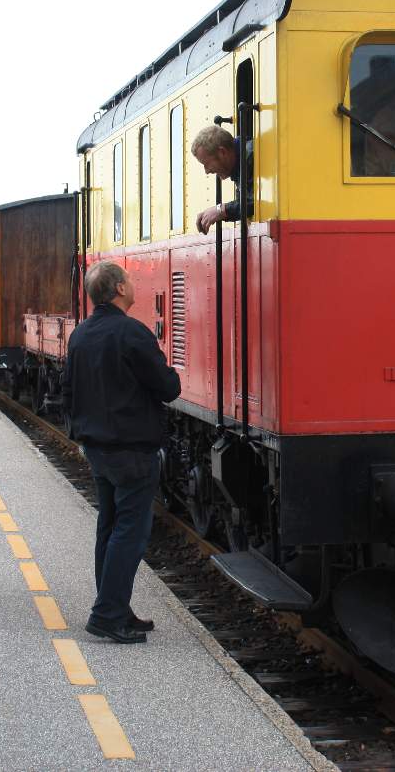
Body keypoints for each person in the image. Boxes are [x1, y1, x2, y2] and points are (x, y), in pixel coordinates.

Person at [63, 261, 181, 643]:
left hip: (98, 448)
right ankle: (108, 614)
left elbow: (69, 392)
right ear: (118, 288)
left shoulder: (80, 335)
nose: (133, 283)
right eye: (128, 279)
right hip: (131, 450)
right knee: (130, 532)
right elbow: (168, 388)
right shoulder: (132, 333)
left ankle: (115, 607)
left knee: (110, 527)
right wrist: (171, 372)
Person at [192, 125, 254, 233]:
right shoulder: (239, 164)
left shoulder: (249, 157)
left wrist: (220, 210)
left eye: (206, 164)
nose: (207, 171)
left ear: (222, 153)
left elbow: (257, 203)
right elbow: (245, 203)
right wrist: (215, 212)